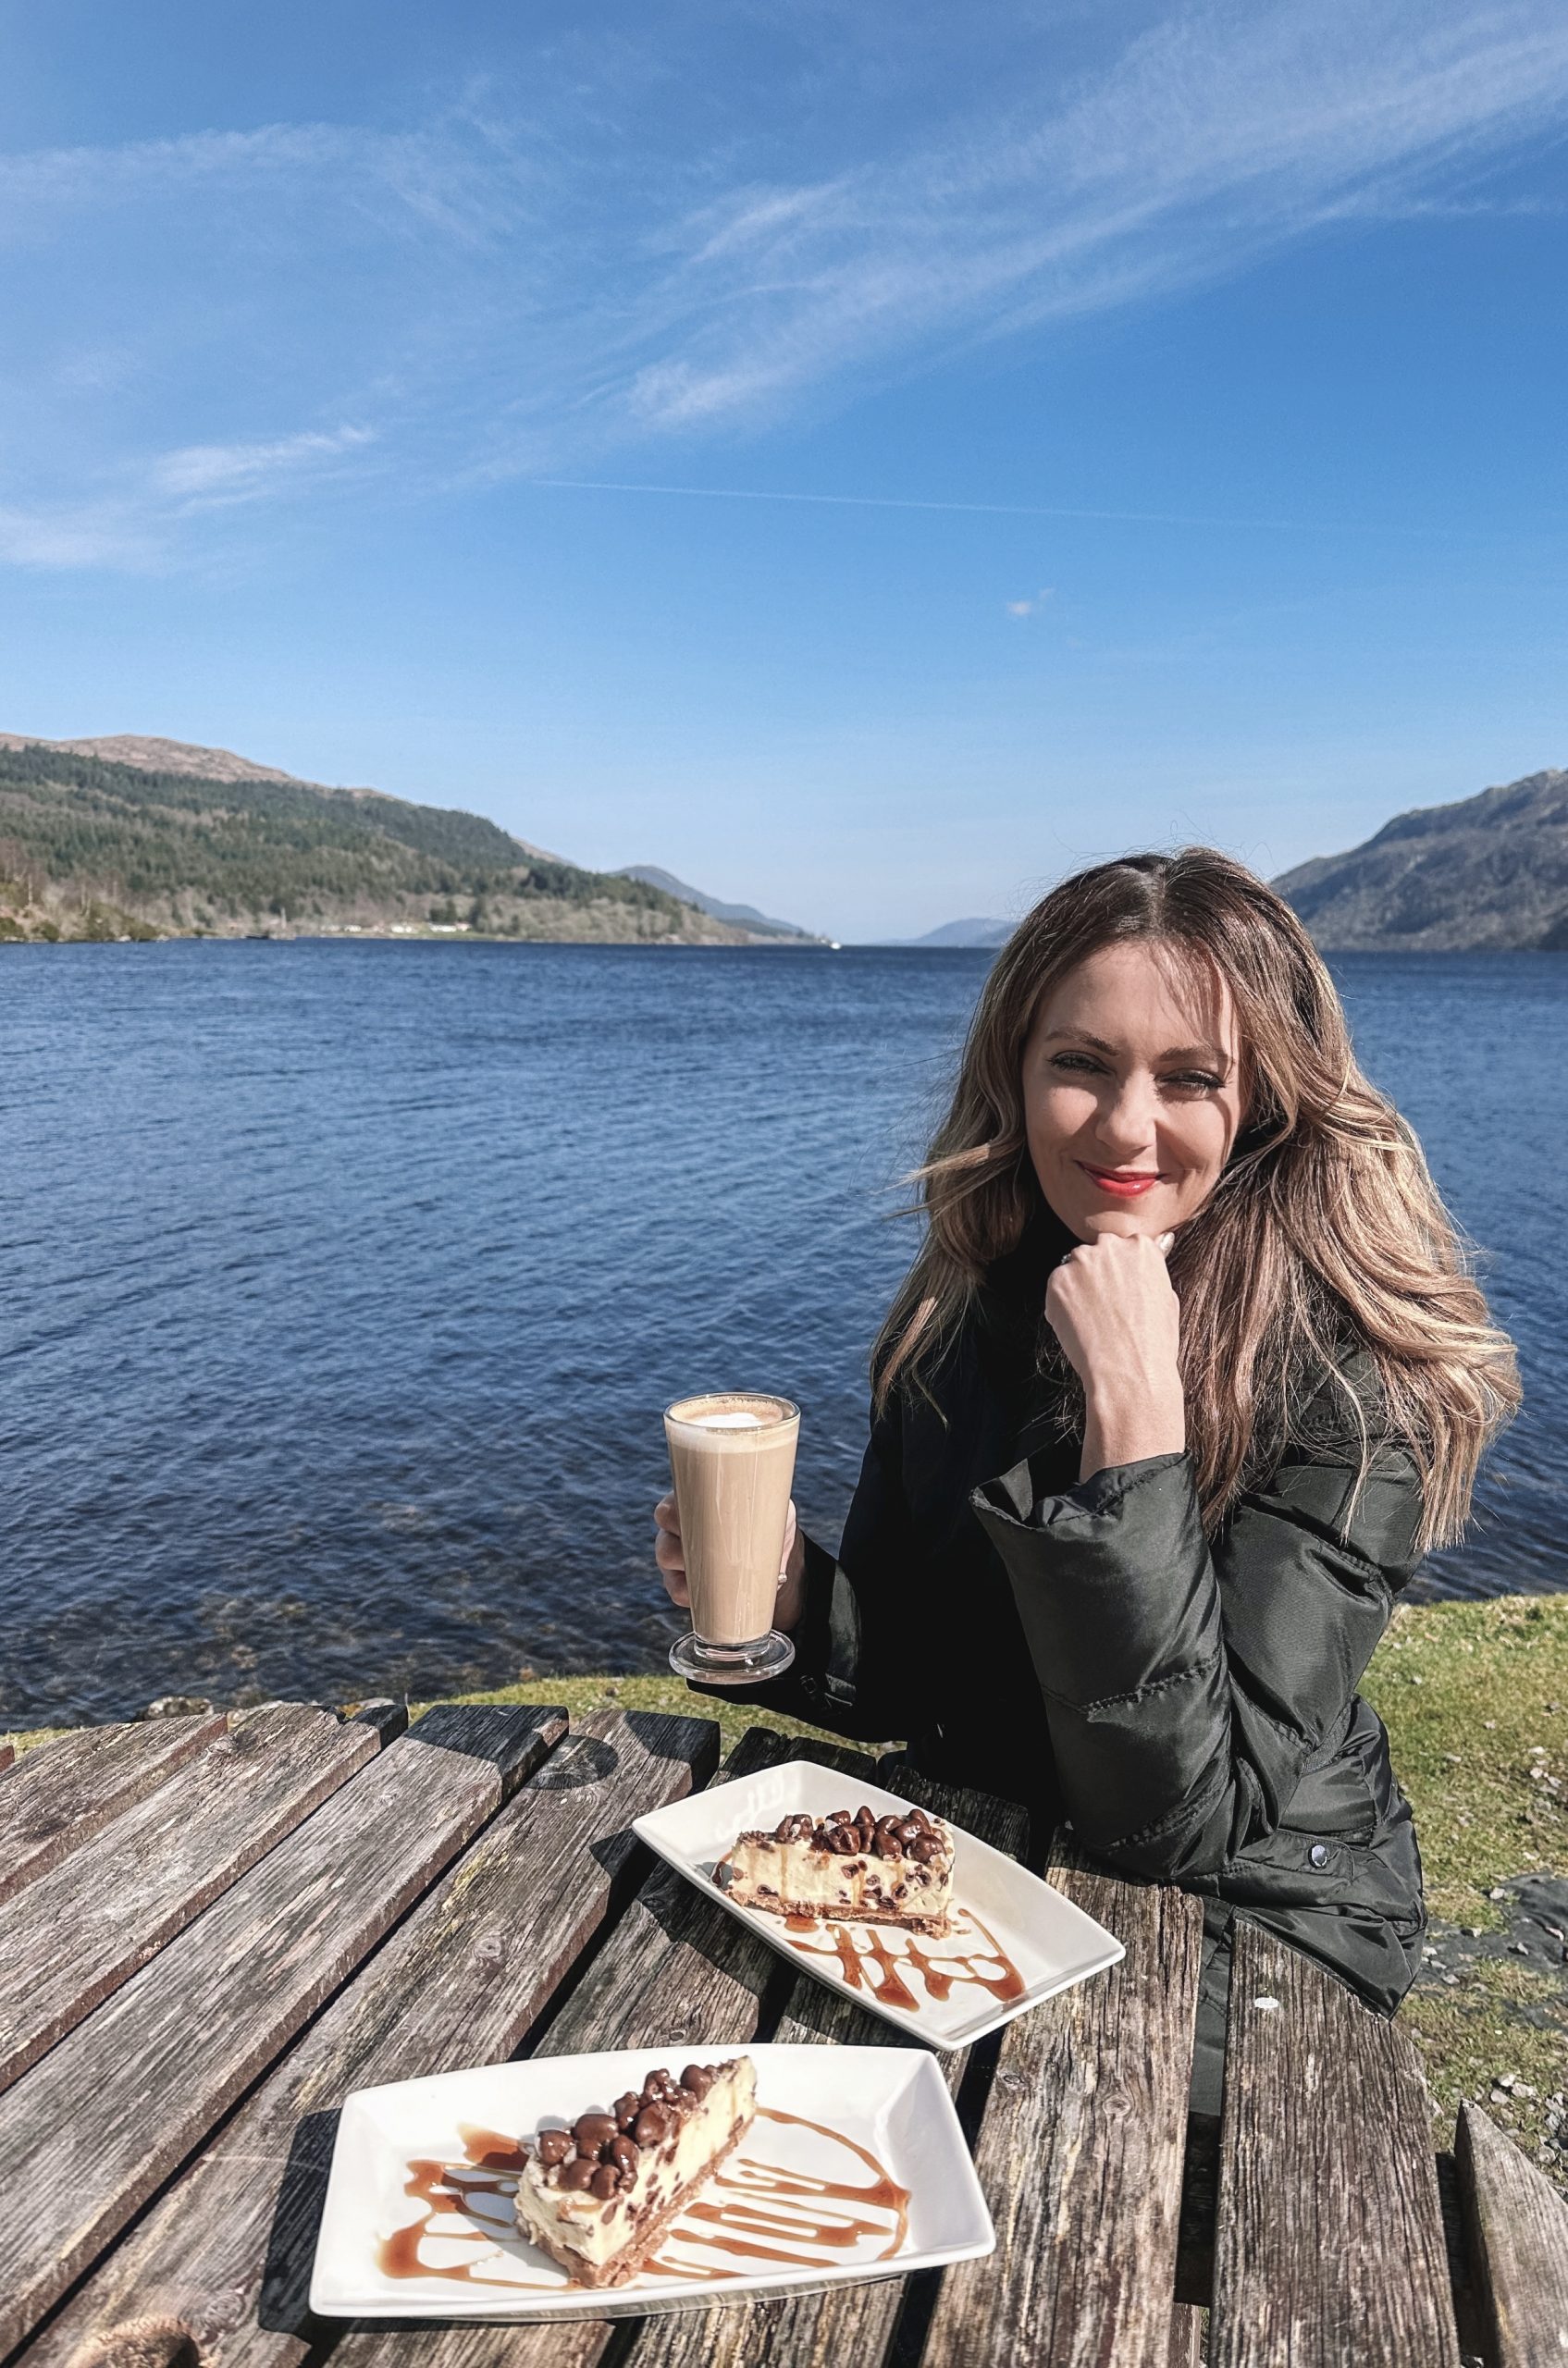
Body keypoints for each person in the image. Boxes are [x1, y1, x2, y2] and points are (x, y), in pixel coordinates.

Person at [653, 848, 1519, 2109]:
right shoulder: (962, 1311)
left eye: (1189, 1079)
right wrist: (794, 1602)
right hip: (1003, 1857)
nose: (1124, 1127)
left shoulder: (1355, 1378)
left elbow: (1179, 1817)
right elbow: (920, 1683)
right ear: (1015, 1073)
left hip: (1257, 1916)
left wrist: (1137, 1428)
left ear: (1264, 1103)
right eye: (1080, 1065)